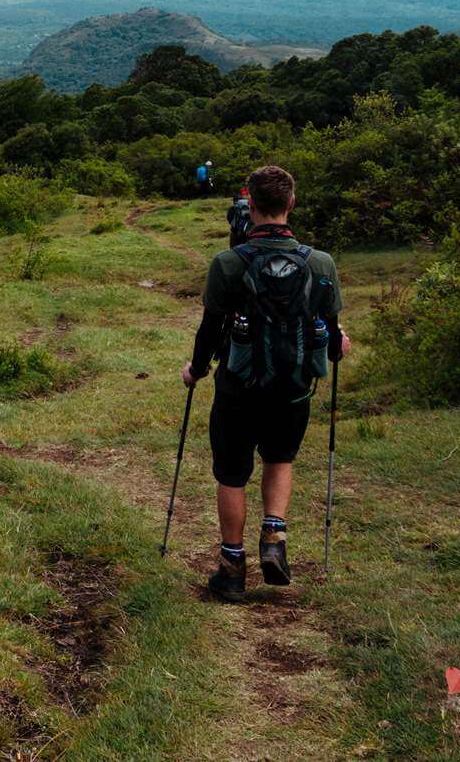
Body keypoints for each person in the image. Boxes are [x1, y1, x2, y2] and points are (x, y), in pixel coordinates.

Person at [179, 165, 352, 600]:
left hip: (238, 387)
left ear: (250, 206)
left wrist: (196, 370)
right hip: (293, 388)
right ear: (291, 204)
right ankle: (274, 538)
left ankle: (231, 568)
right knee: (280, 460)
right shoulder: (320, 262)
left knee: (232, 473)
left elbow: (209, 330)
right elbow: (330, 333)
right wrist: (337, 347)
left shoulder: (228, 264)